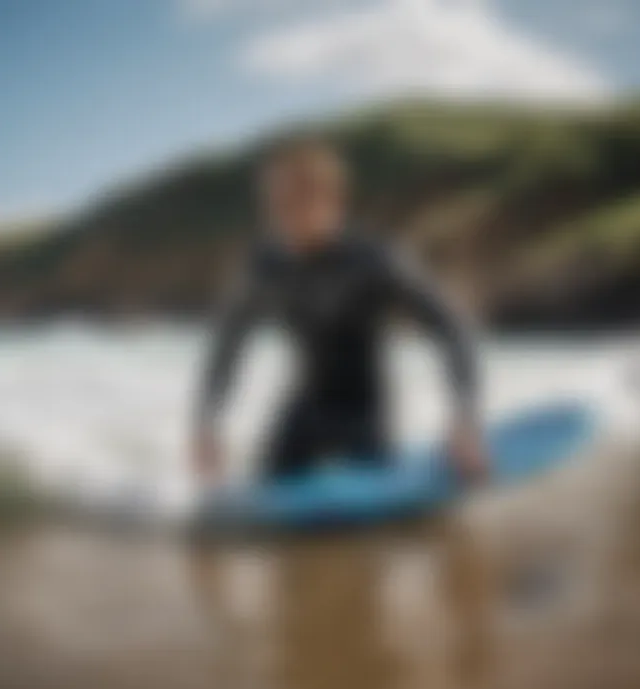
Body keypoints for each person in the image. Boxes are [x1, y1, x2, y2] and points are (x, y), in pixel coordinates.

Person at [192, 135, 487, 485]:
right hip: (304, 411)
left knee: (371, 526)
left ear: (332, 200)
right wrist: (207, 424)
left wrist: (464, 417)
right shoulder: (266, 268)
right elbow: (228, 344)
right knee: (267, 513)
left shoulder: (375, 260)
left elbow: (449, 327)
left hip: (365, 413)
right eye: (276, 202)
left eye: (297, 199)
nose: (283, 213)